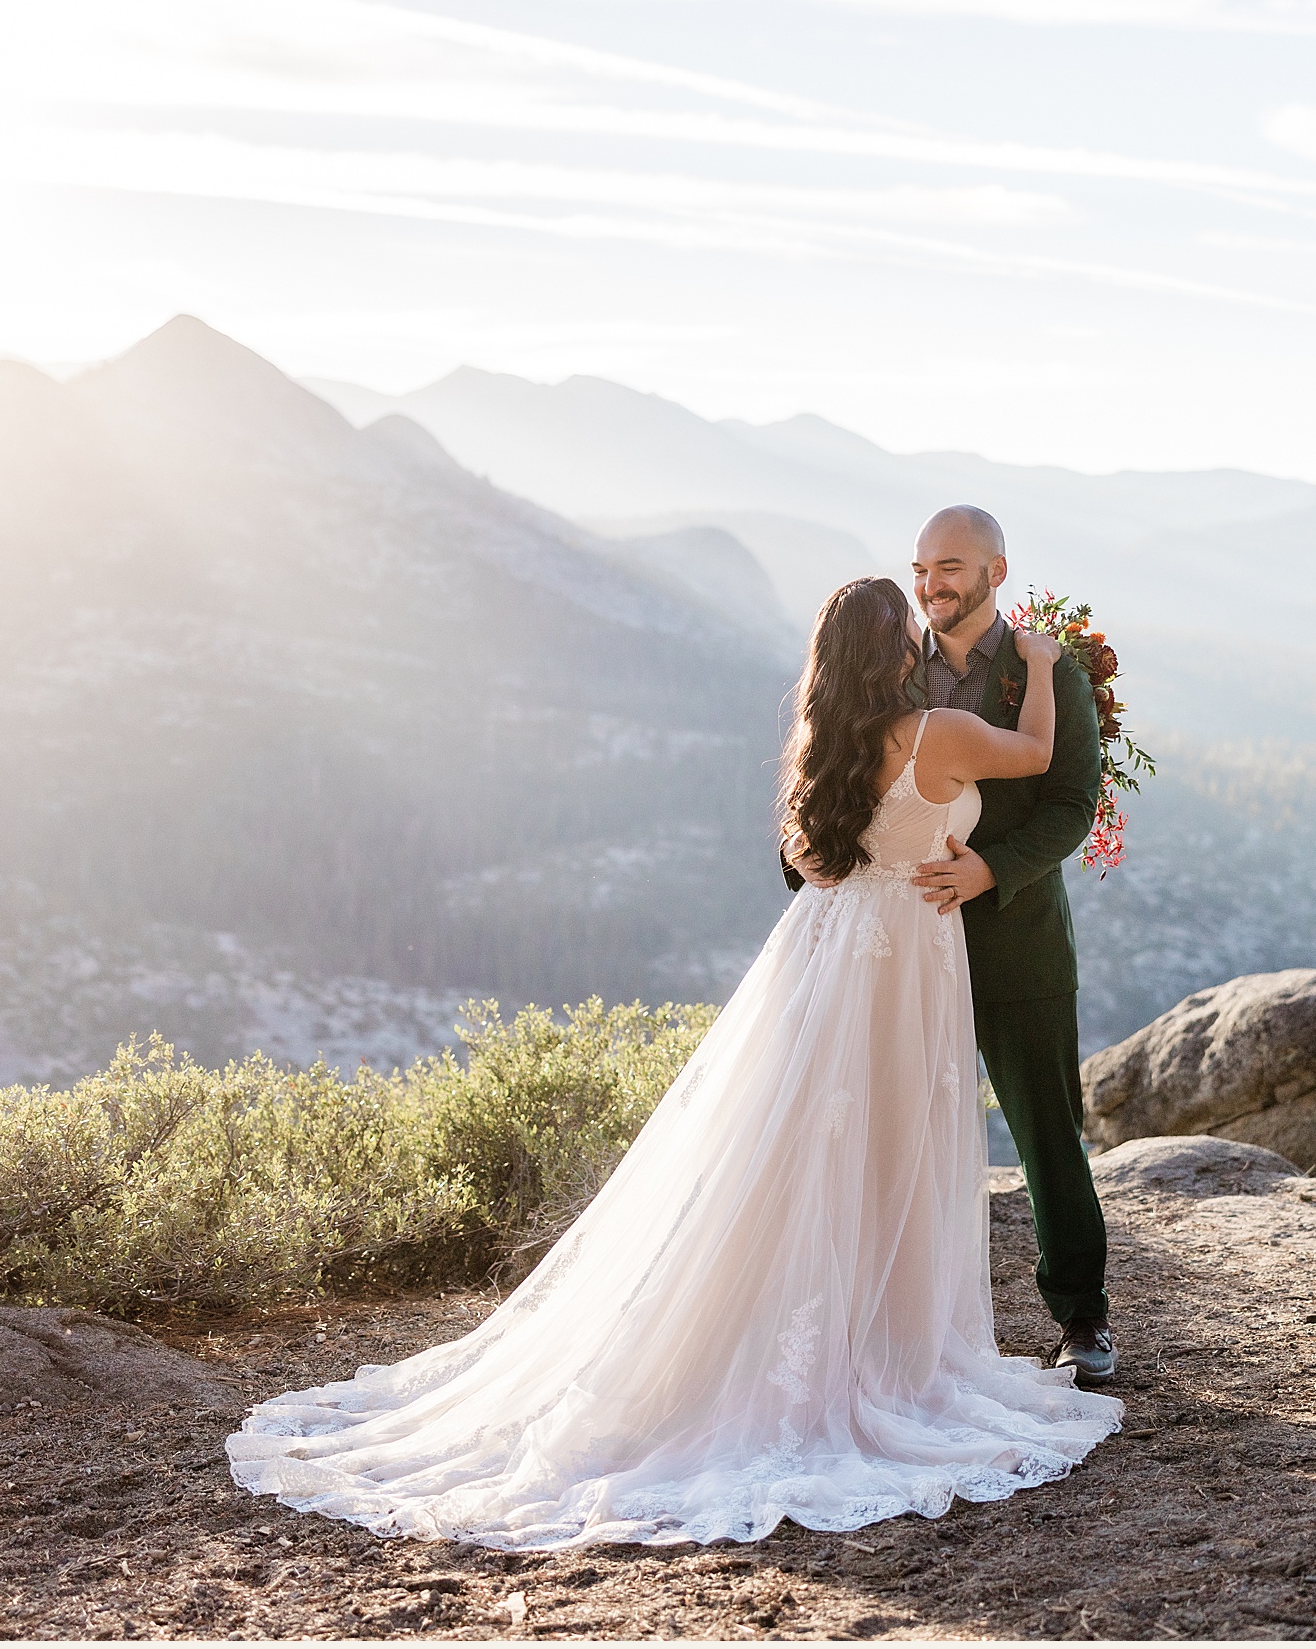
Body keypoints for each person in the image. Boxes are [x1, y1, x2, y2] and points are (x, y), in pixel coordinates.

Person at [227, 576, 1122, 1551]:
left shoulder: (822, 744)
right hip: (904, 952)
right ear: (894, 647)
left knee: (803, 1152)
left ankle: (814, 1337)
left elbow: (815, 859)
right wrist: (1039, 664)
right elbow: (1036, 752)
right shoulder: (934, 732)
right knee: (892, 1146)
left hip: (825, 955)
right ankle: (882, 1353)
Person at [788, 505, 1116, 1384]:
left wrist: (991, 872)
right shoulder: (887, 672)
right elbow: (838, 772)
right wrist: (807, 862)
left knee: (1049, 1136)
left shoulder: (1052, 676)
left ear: (995, 573)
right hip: (896, 958)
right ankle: (881, 1326)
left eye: (952, 568)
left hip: (1014, 945)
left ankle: (1082, 1319)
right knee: (884, 1134)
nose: (933, 583)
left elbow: (1070, 803)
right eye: (923, 568)